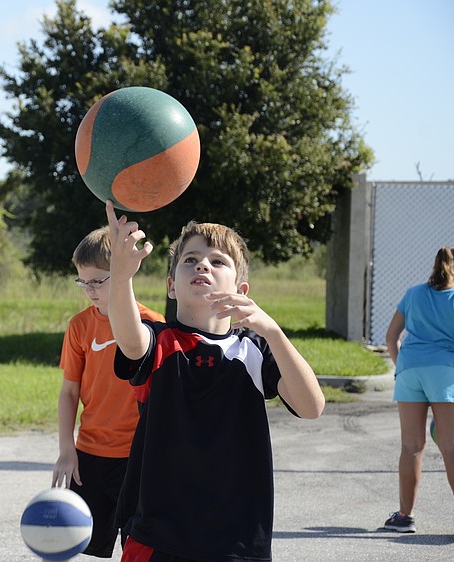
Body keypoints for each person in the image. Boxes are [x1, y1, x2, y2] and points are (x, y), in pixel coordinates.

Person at [104, 200, 325, 561]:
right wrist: (122, 274)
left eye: (218, 261)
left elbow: (312, 407)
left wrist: (272, 331)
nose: (202, 264)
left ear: (241, 289)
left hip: (237, 540)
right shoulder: (161, 342)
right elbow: (129, 339)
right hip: (158, 536)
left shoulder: (253, 351)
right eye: (189, 260)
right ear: (171, 286)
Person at [52, 225, 166, 558]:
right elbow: (69, 392)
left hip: (139, 457)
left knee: (139, 547)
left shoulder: (150, 323)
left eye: (97, 281)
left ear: (121, 271)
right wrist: (66, 449)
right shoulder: (79, 326)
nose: (89, 290)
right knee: (84, 546)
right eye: (82, 281)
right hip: (90, 456)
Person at [383, 246, 454, 533]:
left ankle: (404, 516)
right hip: (444, 373)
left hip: (410, 370)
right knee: (450, 447)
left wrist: (402, 367)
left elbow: (392, 337)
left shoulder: (413, 294)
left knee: (411, 447)